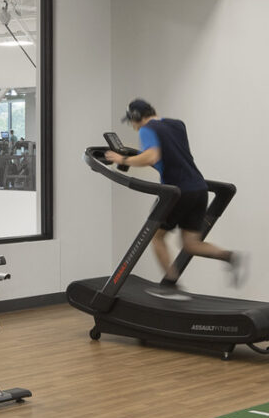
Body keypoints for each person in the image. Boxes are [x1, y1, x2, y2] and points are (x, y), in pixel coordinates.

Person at [101, 99, 248, 289]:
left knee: (156, 237)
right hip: (199, 189)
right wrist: (137, 156)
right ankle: (230, 257)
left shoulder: (147, 129)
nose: (133, 126)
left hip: (178, 192)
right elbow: (172, 156)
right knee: (190, 244)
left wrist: (123, 158)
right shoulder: (177, 125)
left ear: (137, 117)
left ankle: (171, 287)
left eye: (131, 121)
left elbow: (152, 156)